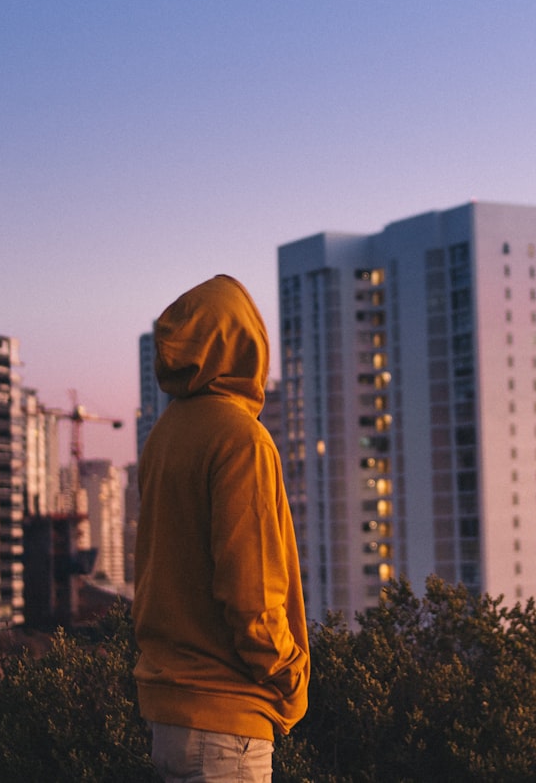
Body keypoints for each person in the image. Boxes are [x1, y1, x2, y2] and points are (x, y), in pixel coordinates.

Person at [133, 275, 310, 782]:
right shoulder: (240, 438)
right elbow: (251, 594)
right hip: (226, 721)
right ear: (244, 343)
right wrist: (290, 678)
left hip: (169, 713)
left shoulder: (166, 434)